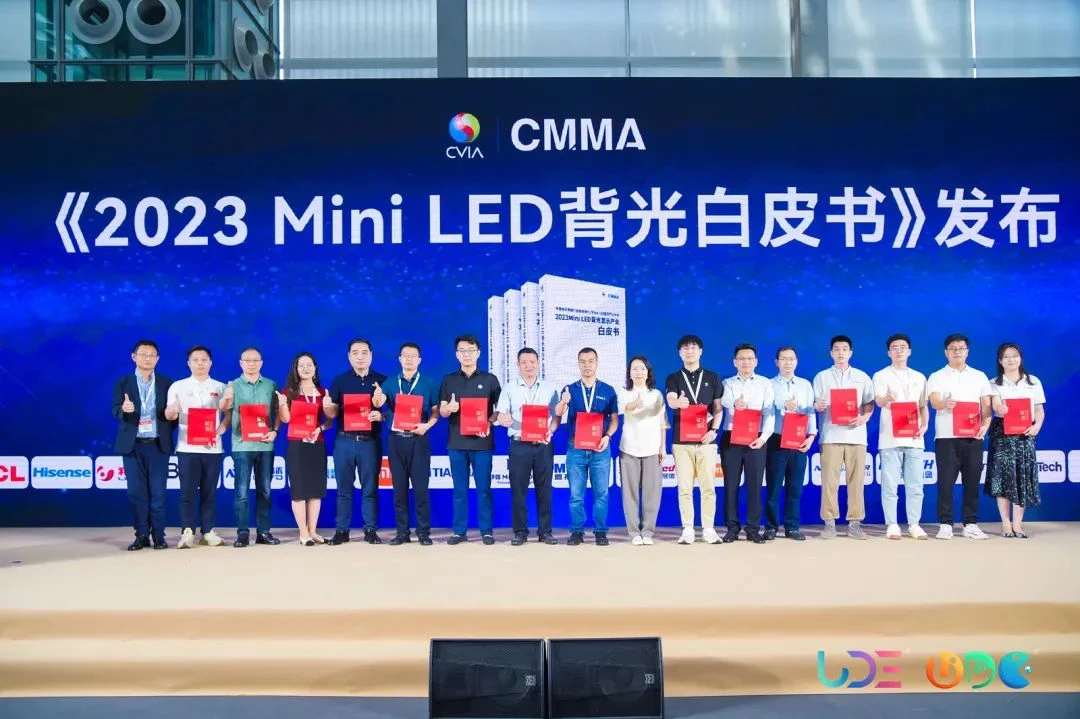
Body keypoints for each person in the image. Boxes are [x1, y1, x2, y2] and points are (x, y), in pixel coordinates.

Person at [494, 348, 567, 546]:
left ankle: (545, 532)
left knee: (545, 490)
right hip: (519, 445)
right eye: (524, 362)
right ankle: (520, 532)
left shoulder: (550, 388)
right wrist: (502, 418)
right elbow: (500, 414)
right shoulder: (509, 388)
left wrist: (550, 431)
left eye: (532, 362)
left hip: (543, 445)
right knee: (518, 491)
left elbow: (557, 416)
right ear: (518, 365)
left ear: (538, 363)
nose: (528, 366)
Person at [927, 333, 993, 540]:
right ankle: (945, 524)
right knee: (945, 483)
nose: (957, 352)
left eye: (961, 348)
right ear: (946, 352)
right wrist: (944, 404)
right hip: (946, 437)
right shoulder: (937, 376)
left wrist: (985, 426)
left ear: (967, 352)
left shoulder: (979, 376)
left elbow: (987, 406)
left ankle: (970, 524)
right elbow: (934, 401)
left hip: (974, 437)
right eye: (953, 348)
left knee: (972, 483)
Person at [112, 339, 176, 551]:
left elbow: (172, 415)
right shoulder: (123, 382)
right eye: (143, 354)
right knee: (136, 493)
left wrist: (172, 415)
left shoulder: (167, 383)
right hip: (133, 445)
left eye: (152, 355)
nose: (148, 358)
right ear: (134, 357)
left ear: (157, 359)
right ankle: (141, 535)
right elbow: (115, 409)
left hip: (158, 445)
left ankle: (159, 535)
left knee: (158, 493)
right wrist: (124, 410)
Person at [439, 334, 502, 545]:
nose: (467, 354)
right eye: (462, 351)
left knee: (484, 490)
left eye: (471, 350)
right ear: (457, 355)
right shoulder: (449, 380)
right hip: (456, 443)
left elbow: (499, 410)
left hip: (482, 443)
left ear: (478, 353)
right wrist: (449, 408)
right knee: (460, 491)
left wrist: (489, 423)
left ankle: (486, 531)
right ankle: (459, 531)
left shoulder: (490, 379)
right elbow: (442, 411)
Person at [324, 339, 387, 546]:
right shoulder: (340, 381)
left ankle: (370, 530)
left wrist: (381, 416)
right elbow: (332, 414)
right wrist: (327, 406)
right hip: (345, 440)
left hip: (370, 442)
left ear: (371, 355)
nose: (360, 357)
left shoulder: (382, 381)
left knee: (370, 488)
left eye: (364, 352)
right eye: (355, 353)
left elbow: (392, 413)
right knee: (343, 489)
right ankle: (342, 530)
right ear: (349, 356)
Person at [812, 335, 875, 540]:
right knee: (829, 482)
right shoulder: (822, 377)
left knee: (856, 482)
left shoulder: (862, 377)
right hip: (830, 435)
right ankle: (829, 524)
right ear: (831, 353)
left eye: (844, 349)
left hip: (857, 436)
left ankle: (855, 524)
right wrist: (818, 406)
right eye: (837, 349)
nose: (841, 352)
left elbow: (869, 402)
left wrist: (865, 417)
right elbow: (815, 404)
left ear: (851, 353)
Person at [165, 345, 229, 549]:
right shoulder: (178, 386)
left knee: (209, 492)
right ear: (188, 363)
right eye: (195, 360)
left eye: (204, 360)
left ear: (210, 363)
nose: (200, 363)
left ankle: (208, 531)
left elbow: (229, 413)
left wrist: (222, 428)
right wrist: (172, 412)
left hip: (212, 448)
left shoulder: (220, 387)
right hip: (186, 447)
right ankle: (187, 531)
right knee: (187, 492)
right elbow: (169, 414)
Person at [377, 343, 440, 546]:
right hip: (396, 440)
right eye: (405, 355)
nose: (409, 359)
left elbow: (436, 413)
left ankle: (423, 532)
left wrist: (426, 426)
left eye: (413, 356)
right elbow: (379, 403)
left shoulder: (429, 383)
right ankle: (402, 532)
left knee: (421, 490)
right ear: (399, 359)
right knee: (399, 490)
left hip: (419, 440)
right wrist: (377, 398)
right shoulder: (389, 383)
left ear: (419, 360)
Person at [219, 347, 283, 548]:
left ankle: (263, 532)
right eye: (247, 360)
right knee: (242, 492)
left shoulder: (271, 385)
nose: (252, 363)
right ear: (241, 363)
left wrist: (275, 431)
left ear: (261, 363)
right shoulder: (232, 385)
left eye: (255, 360)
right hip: (242, 446)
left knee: (265, 491)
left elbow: (278, 412)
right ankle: (243, 533)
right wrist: (227, 396)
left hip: (265, 446)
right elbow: (224, 409)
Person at [664, 335, 724, 545]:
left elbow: (718, 409)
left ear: (701, 351)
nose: (689, 351)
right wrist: (677, 402)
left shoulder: (712, 377)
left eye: (693, 347)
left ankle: (708, 528)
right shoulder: (673, 378)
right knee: (685, 488)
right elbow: (671, 400)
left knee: (708, 487)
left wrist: (714, 430)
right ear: (680, 353)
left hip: (706, 441)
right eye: (685, 348)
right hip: (681, 442)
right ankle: (688, 528)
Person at [872, 334, 930, 540]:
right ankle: (892, 524)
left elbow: (923, 406)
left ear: (909, 351)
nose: (899, 351)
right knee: (890, 485)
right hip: (890, 438)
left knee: (916, 485)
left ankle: (914, 524)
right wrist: (887, 398)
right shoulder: (880, 375)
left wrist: (925, 426)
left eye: (903, 347)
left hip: (914, 438)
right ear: (889, 352)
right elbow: (879, 402)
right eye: (894, 348)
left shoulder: (919, 377)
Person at [986, 342, 1045, 538]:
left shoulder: (1033, 381)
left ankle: (1018, 524)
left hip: (1025, 433)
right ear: (1000, 361)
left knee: (1022, 477)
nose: (1011, 359)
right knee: (1003, 478)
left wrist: (1037, 426)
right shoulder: (994, 383)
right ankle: (1005, 524)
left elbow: (1039, 410)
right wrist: (999, 408)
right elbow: (995, 404)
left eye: (1015, 355)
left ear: (1020, 358)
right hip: (1002, 433)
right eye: (1006, 356)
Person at [563, 347, 620, 546]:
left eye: (590, 361)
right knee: (576, 495)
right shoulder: (569, 389)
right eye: (583, 361)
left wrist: (608, 436)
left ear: (597, 363)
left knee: (601, 494)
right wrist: (563, 402)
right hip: (576, 448)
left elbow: (614, 420)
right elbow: (558, 413)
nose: (587, 365)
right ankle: (577, 531)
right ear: (578, 364)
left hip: (600, 449)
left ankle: (600, 531)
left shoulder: (608, 390)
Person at [719, 344, 775, 544]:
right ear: (735, 362)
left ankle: (753, 528)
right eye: (742, 359)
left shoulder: (765, 383)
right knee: (731, 485)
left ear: (756, 362)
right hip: (732, 437)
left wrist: (764, 437)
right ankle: (732, 528)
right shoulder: (727, 383)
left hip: (756, 438)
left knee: (755, 485)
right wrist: (735, 403)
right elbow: (724, 401)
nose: (746, 362)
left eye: (750, 359)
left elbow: (769, 412)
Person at [765, 346, 816, 541]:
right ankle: (771, 527)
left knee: (795, 487)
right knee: (774, 487)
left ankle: (792, 527)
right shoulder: (768, 384)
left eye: (791, 359)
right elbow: (765, 409)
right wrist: (783, 405)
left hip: (799, 439)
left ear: (797, 361)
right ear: (776, 362)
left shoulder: (805, 385)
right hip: (776, 439)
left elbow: (810, 411)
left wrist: (811, 436)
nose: (788, 362)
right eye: (784, 359)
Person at [281, 352, 333, 545]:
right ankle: (303, 533)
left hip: (316, 444)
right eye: (301, 365)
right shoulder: (288, 392)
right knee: (299, 490)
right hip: (296, 445)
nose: (305, 368)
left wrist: (320, 427)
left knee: (315, 490)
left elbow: (329, 421)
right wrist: (282, 404)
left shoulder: (323, 393)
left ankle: (313, 531)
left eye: (309, 364)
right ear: (296, 369)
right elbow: (285, 419)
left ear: (315, 368)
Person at [617, 355, 667, 545]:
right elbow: (624, 408)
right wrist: (634, 404)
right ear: (629, 373)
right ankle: (634, 533)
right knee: (630, 494)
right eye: (635, 369)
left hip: (653, 449)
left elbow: (663, 423)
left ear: (648, 373)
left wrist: (662, 447)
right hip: (629, 449)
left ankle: (647, 532)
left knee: (652, 493)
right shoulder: (624, 393)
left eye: (642, 369)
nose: (639, 372)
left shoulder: (657, 395)